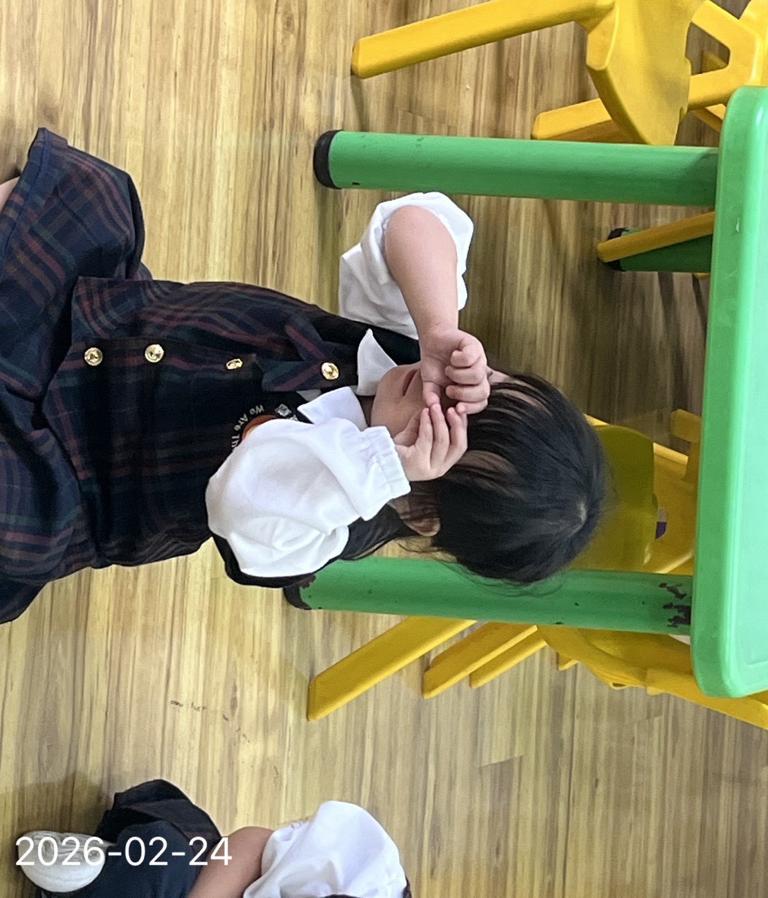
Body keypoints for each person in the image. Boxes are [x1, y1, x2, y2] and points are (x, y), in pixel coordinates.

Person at [0, 129, 606, 624]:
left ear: (421, 511)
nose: (439, 389)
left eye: (444, 428)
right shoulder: (400, 351)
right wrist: (438, 327)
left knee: (15, 516)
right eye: (482, 388)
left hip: (65, 468)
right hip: (97, 319)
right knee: (90, 199)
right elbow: (414, 220)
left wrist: (383, 466)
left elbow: (243, 497)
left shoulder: (330, 526)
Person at [16, 779, 411, 898]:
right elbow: (252, 845)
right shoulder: (365, 876)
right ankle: (96, 874)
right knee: (164, 857)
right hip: (209, 880)